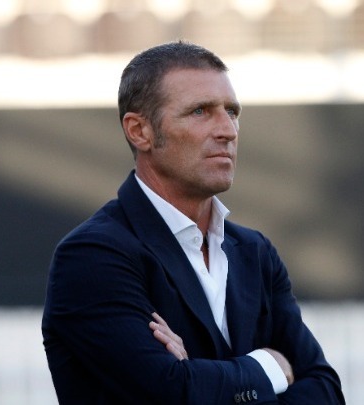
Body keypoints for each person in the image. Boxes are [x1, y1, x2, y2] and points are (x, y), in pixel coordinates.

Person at [42, 41, 345, 404]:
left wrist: (198, 377)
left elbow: (326, 391)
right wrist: (271, 367)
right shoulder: (93, 256)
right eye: (200, 111)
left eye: (231, 111)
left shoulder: (255, 253)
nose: (228, 130)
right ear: (139, 131)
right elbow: (170, 393)